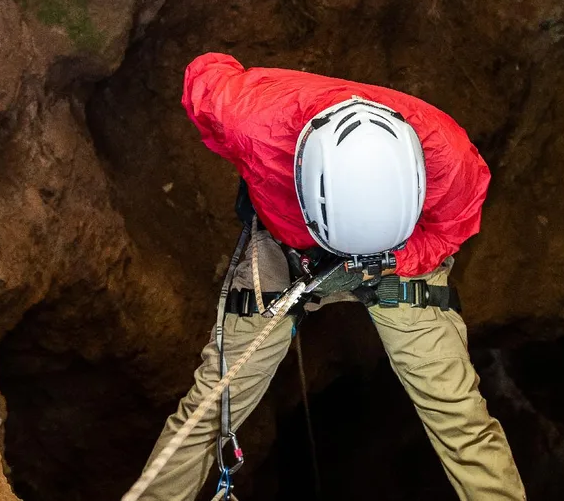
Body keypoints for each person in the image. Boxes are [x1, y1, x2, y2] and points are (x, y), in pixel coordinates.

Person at [136, 52, 526, 500]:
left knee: (457, 413)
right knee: (213, 404)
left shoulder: (448, 158)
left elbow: (450, 229)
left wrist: (391, 260)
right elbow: (203, 75)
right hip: (288, 251)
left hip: (399, 258)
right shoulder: (252, 119)